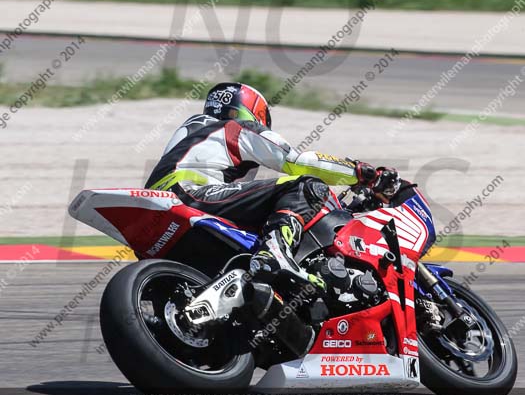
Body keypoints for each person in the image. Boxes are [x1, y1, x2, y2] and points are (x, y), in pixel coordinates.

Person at [145, 81, 401, 293]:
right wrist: (360, 174)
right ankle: (276, 252)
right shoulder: (235, 127)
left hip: (163, 212)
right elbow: (296, 162)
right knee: (306, 186)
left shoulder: (193, 133)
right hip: (194, 195)